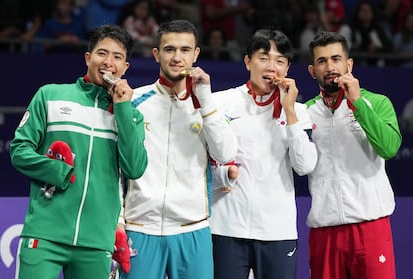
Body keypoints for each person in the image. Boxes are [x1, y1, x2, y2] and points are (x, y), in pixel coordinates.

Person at [10, 24, 148, 279]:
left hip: (96, 242)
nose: (108, 62)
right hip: (45, 233)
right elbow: (19, 150)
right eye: (102, 53)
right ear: (88, 58)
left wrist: (124, 111)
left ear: (126, 67)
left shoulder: (131, 116)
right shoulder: (50, 95)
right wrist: (57, 170)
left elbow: (135, 168)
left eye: (117, 57)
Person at [117, 19, 238, 279]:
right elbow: (116, 167)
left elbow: (226, 154)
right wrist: (119, 219)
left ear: (196, 54)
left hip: (192, 229)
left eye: (185, 50)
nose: (177, 57)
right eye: (170, 49)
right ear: (156, 54)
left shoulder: (209, 106)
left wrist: (204, 99)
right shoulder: (134, 102)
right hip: (141, 227)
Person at [210, 28, 318, 279]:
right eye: (263, 58)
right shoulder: (220, 103)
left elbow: (305, 166)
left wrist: (289, 111)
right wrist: (222, 175)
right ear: (248, 61)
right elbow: (203, 162)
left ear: (288, 68)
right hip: (226, 227)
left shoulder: (299, 111)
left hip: (277, 231)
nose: (272, 67)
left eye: (280, 61)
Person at [305, 31, 401, 279]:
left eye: (336, 59)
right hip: (325, 232)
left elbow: (389, 148)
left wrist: (357, 102)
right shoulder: (305, 113)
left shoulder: (377, 103)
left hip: (370, 227)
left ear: (349, 64)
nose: (330, 67)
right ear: (312, 71)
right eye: (322, 61)